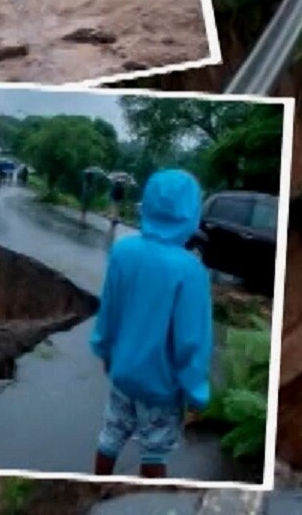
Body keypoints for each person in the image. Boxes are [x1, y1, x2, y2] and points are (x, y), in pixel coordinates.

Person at [90, 169, 213, 480]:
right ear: (191, 213)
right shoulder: (191, 271)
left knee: (109, 438)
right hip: (161, 388)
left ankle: (94, 488)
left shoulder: (123, 251)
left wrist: (105, 353)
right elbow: (191, 342)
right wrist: (196, 393)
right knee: (154, 450)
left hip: (122, 375)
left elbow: (109, 311)